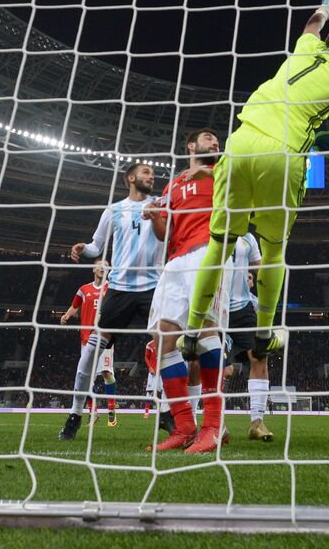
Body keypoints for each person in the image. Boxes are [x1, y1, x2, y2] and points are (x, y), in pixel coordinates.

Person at [183, 0, 329, 363]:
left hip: (241, 140)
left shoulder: (306, 44)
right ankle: (264, 333)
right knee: (273, 251)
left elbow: (312, 21)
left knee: (219, 247)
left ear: (328, 38)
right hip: (282, 156)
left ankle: (191, 331)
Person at [63, 162, 161, 440]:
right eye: (145, 172)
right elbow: (97, 245)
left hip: (153, 286)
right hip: (119, 289)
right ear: (130, 178)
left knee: (167, 348)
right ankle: (75, 414)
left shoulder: (161, 202)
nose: (150, 175)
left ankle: (167, 413)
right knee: (90, 353)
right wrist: (84, 250)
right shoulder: (114, 210)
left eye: (151, 172)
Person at [145, 129, 224, 453]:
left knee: (206, 329)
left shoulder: (223, 173)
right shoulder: (173, 184)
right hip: (176, 261)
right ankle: (184, 426)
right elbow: (165, 233)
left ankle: (214, 426)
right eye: (209, 138)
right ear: (191, 145)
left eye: (218, 141)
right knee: (162, 337)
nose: (215, 143)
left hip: (207, 252)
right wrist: (153, 217)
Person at [215, 231, 271, 440]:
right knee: (220, 370)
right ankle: (216, 423)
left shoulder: (248, 238)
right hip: (216, 306)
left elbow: (260, 267)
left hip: (242, 308)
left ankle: (257, 423)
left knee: (259, 356)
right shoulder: (213, 226)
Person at [60, 259, 117, 427]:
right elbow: (74, 306)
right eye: (100, 265)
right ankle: (93, 413)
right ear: (93, 268)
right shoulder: (84, 289)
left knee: (106, 372)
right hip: (86, 338)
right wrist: (67, 315)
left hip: (106, 337)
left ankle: (112, 411)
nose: (103, 268)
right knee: (88, 378)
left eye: (107, 266)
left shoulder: (112, 288)